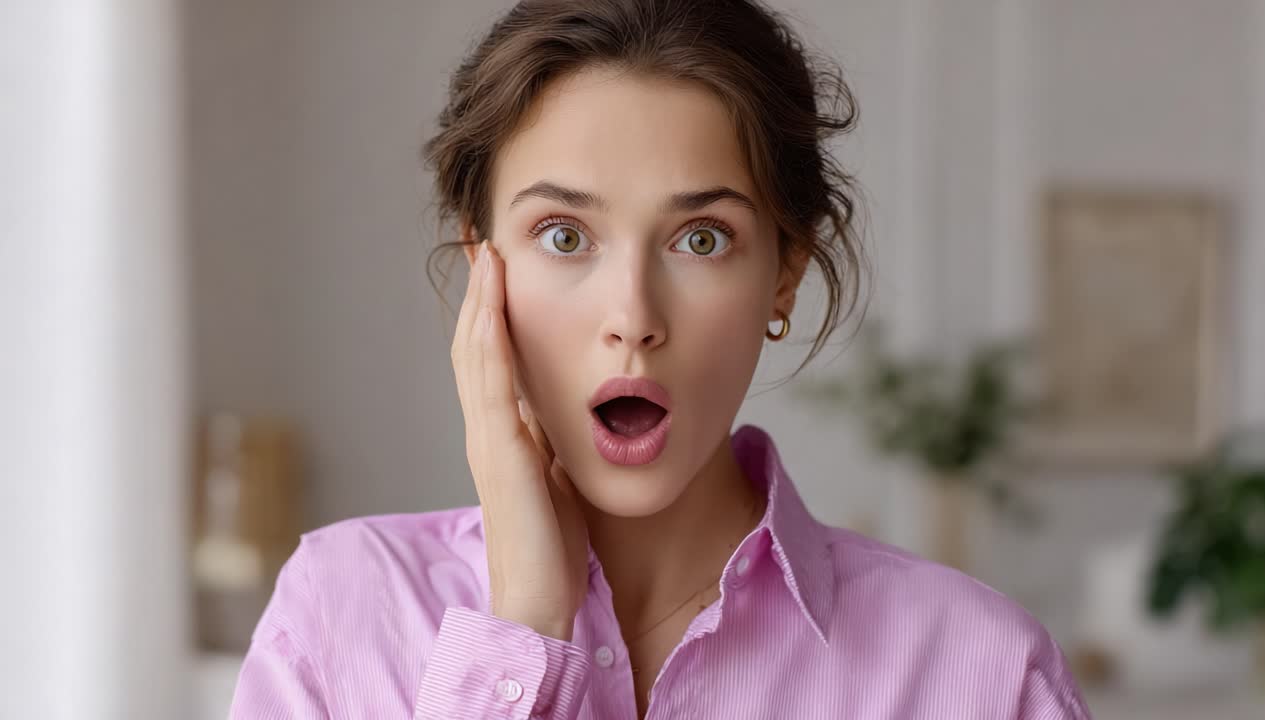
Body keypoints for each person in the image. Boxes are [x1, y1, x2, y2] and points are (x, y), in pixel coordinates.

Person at [229, 0, 1092, 717]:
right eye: (564, 236)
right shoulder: (341, 613)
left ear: (785, 273)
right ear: (480, 261)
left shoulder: (982, 674)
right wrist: (524, 624)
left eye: (701, 238)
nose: (633, 318)